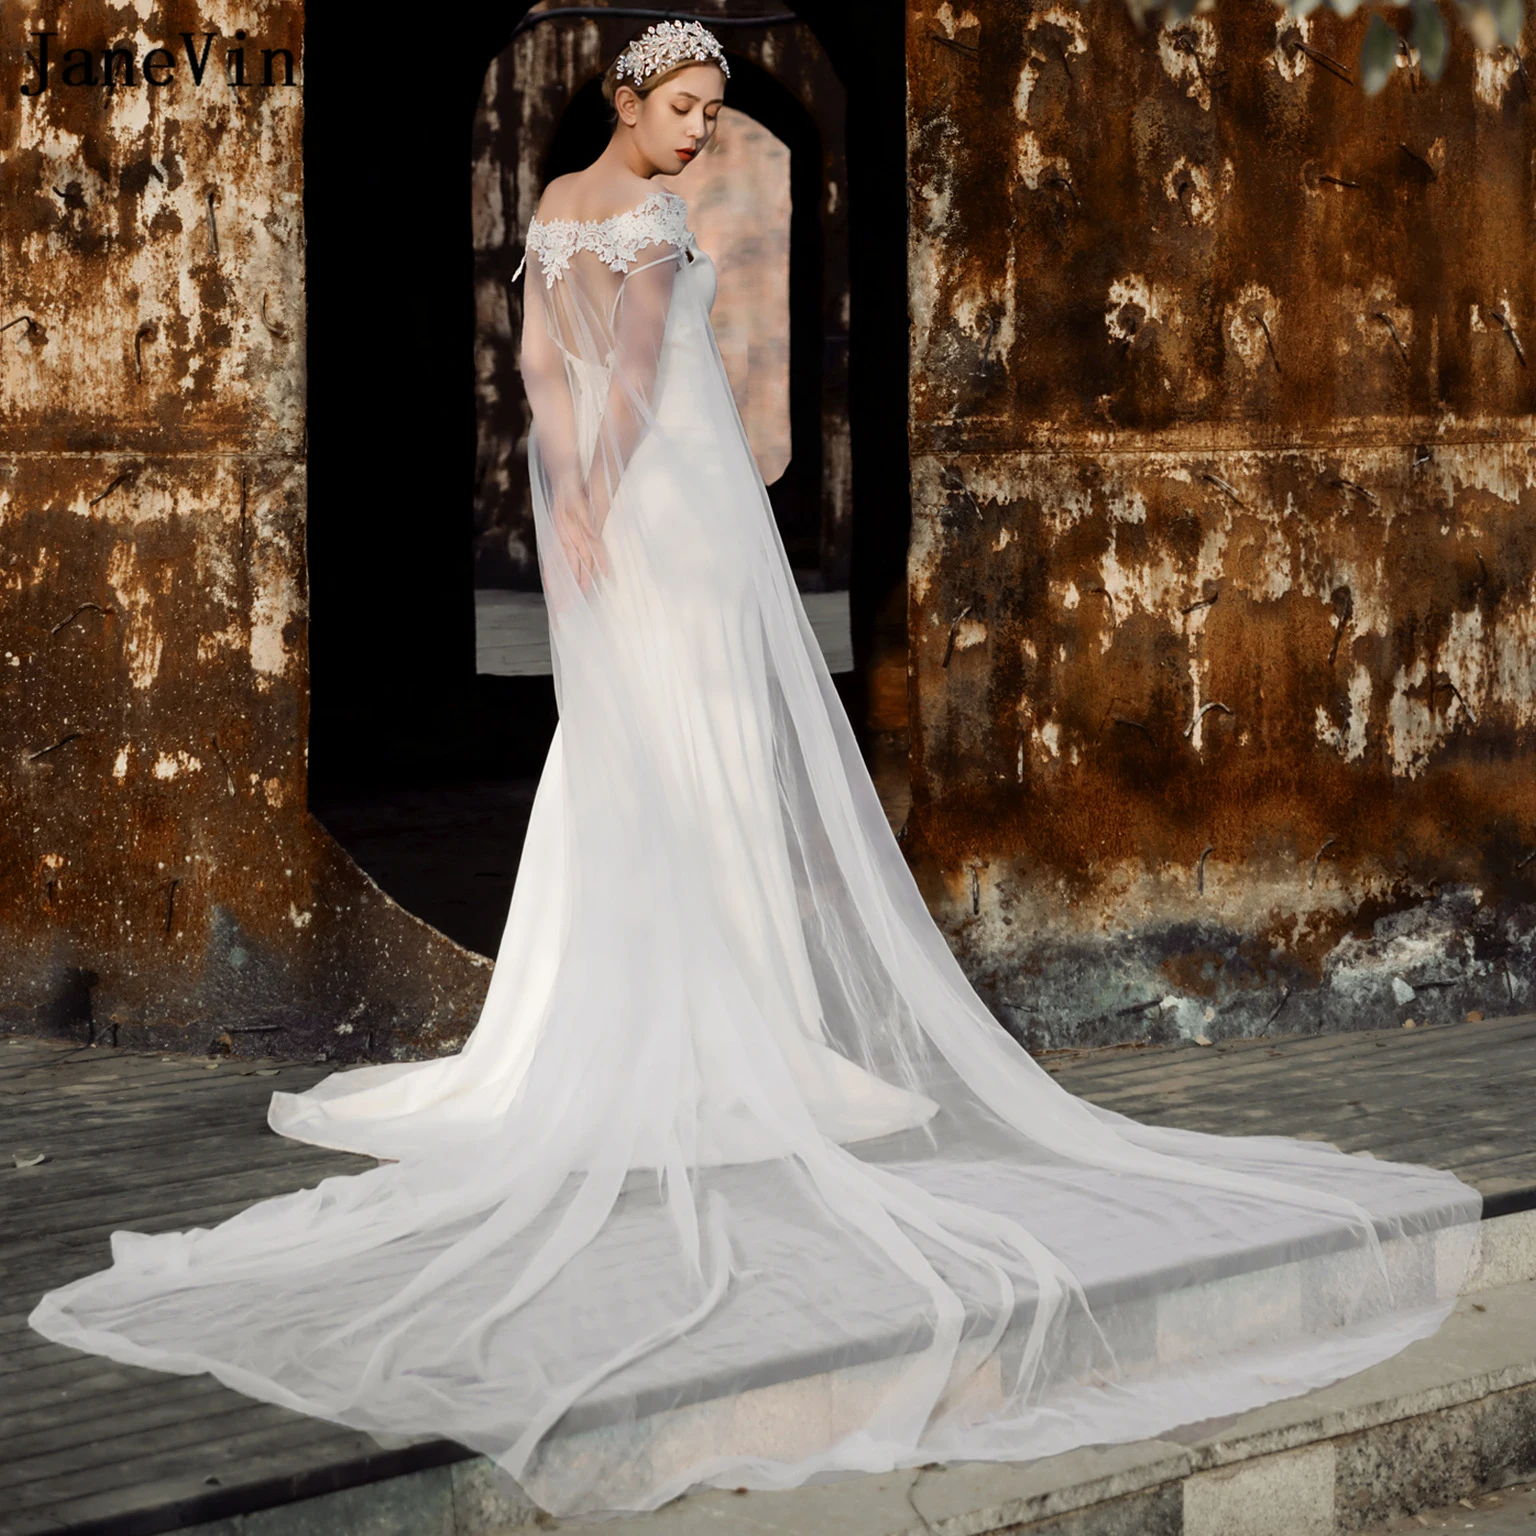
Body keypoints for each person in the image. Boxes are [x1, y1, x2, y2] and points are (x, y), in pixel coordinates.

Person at [31, 21, 1481, 1521]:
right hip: (669, 508)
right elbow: (630, 375)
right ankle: (721, 1021)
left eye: (711, 114)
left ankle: (633, 1015)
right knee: (688, 741)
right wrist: (597, 500)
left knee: (635, 743)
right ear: (626, 99)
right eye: (681, 108)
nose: (697, 135)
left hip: (616, 510)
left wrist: (558, 509)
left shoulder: (554, 210)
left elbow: (536, 372)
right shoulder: (651, 219)